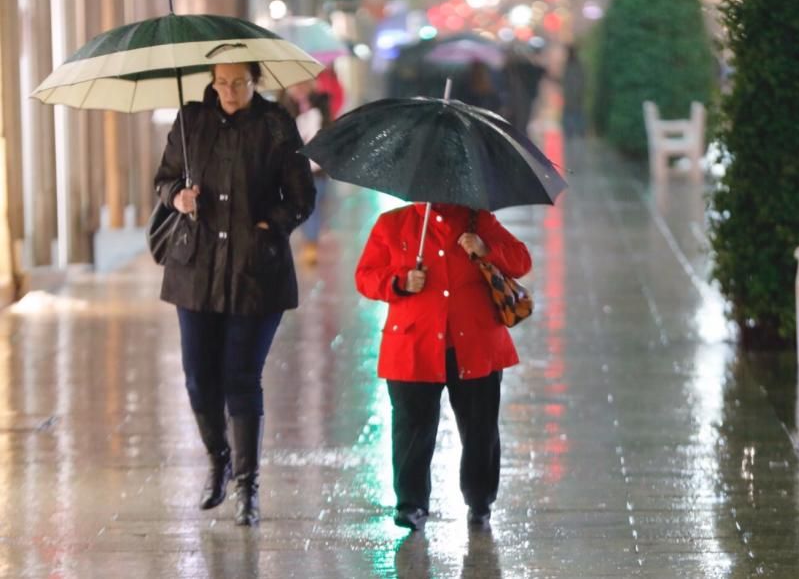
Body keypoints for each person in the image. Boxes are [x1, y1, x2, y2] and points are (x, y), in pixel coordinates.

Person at [153, 62, 316, 526]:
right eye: (220, 82)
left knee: (241, 377)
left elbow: (302, 196)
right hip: (196, 269)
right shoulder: (190, 121)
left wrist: (271, 226)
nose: (228, 91)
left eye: (238, 82)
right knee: (199, 377)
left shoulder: (275, 124)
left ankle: (248, 487)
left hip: (255, 271)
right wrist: (178, 198)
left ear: (255, 82)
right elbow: (163, 179)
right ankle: (218, 460)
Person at [355, 202, 531, 531]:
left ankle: (480, 500)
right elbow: (365, 276)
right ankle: (411, 504)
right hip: (414, 345)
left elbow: (521, 260)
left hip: (475, 344)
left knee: (480, 429)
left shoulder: (480, 221)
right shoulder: (393, 224)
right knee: (412, 428)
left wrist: (485, 249)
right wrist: (400, 282)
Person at [279, 77, 335, 266]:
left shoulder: (321, 102)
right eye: (296, 84)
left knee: (317, 204)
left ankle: (311, 241)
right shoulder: (283, 107)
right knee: (302, 205)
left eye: (304, 83)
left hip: (318, 166)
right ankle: (309, 240)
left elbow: (329, 129)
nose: (300, 88)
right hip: (296, 166)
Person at [561, 44, 586, 139]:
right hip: (570, 93)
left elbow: (579, 80)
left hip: (575, 93)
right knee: (573, 111)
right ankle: (571, 131)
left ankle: (578, 131)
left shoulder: (576, 65)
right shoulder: (570, 64)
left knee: (576, 111)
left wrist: (577, 91)